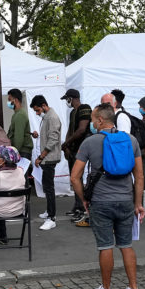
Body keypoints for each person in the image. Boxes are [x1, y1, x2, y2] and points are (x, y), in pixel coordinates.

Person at [71, 103, 145, 289]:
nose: (92, 123)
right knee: (126, 245)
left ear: (100, 120)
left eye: (94, 119)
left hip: (101, 201)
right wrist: (138, 203)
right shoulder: (131, 140)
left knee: (105, 247)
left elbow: (74, 177)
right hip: (125, 201)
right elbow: (139, 176)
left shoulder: (90, 142)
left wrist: (84, 199)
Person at [30, 95, 61, 231]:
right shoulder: (47, 116)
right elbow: (48, 136)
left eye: (37, 110)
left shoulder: (52, 117)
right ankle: (49, 212)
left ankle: (52, 218)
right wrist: (38, 135)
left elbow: (53, 139)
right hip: (47, 158)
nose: (37, 113)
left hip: (49, 158)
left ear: (43, 105)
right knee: (47, 186)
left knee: (49, 188)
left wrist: (41, 157)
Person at [61, 88, 92, 220]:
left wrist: (66, 143)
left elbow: (81, 130)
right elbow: (70, 130)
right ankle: (77, 205)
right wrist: (66, 146)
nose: (66, 102)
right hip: (73, 149)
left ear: (71, 98)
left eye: (67, 99)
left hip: (82, 149)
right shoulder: (73, 112)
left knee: (77, 178)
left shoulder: (84, 108)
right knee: (74, 178)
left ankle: (82, 207)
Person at [6, 89, 34, 161]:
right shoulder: (17, 114)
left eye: (9, 99)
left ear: (16, 100)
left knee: (20, 172)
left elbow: (19, 138)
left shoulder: (20, 115)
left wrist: (13, 153)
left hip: (22, 152)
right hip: (21, 151)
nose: (8, 102)